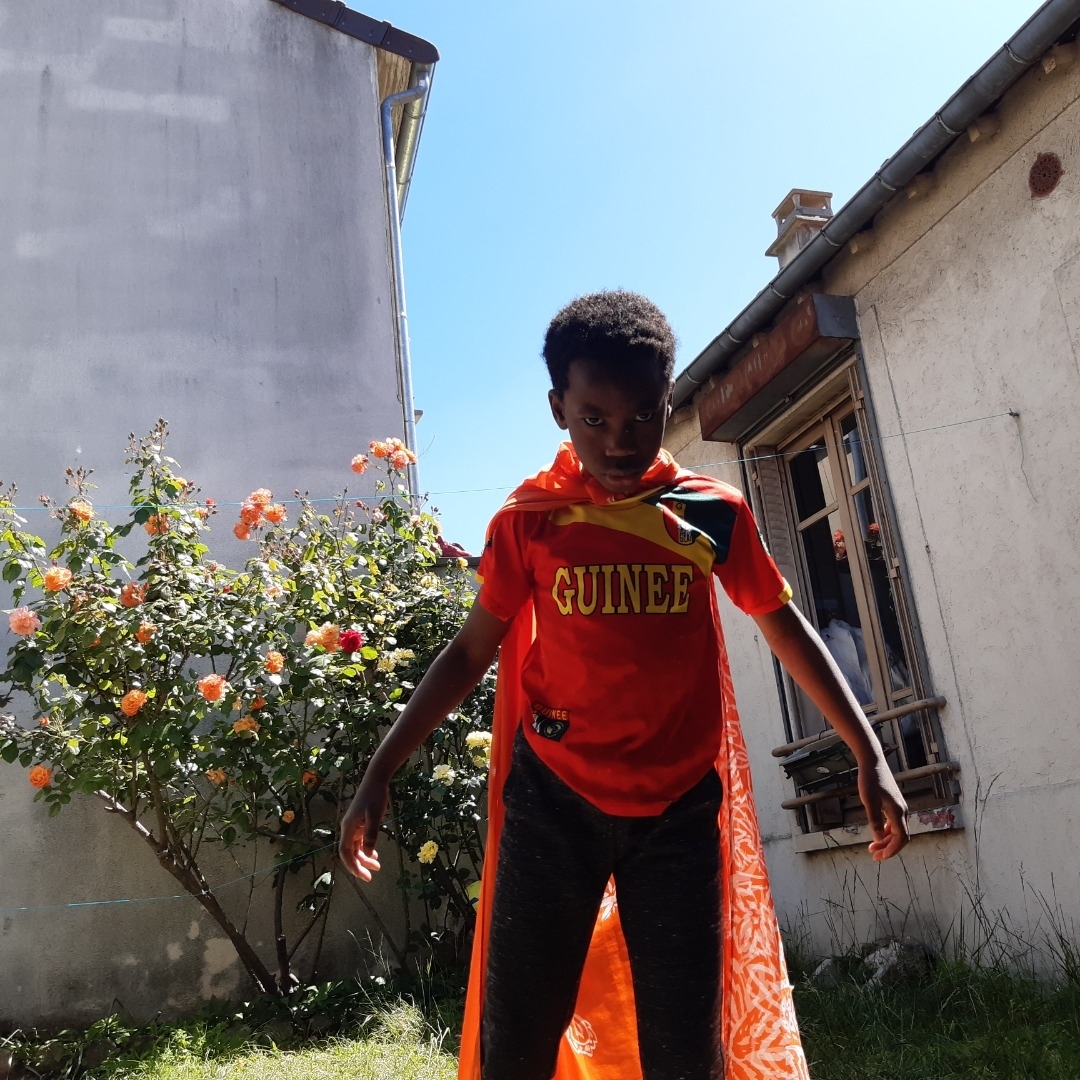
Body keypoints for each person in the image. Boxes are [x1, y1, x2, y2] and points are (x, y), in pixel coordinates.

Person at [339, 291, 909, 1080]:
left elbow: (785, 628)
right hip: (552, 805)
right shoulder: (530, 521)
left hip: (678, 815)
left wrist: (868, 751)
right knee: (518, 1044)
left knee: (685, 1052)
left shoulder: (713, 515)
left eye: (642, 415)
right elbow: (469, 654)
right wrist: (380, 772)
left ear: (667, 402)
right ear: (559, 411)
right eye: (594, 417)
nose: (620, 439)